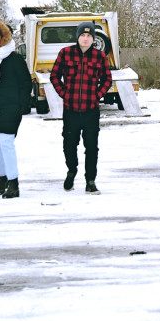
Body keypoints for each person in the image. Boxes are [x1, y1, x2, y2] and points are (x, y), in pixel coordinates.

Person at [50, 21, 112, 194]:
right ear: (78, 37)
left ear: (93, 39)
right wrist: (64, 93)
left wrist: (97, 95)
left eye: (89, 36)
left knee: (92, 147)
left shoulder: (100, 57)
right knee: (69, 145)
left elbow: (107, 79)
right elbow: (54, 75)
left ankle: (90, 181)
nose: (86, 39)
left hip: (91, 110)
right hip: (70, 110)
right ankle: (72, 170)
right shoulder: (66, 53)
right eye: (83, 35)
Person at [0, 20, 32, 199]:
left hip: (10, 109)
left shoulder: (15, 59)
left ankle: (13, 183)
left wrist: (21, 106)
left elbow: (26, 83)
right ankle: (2, 178)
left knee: (6, 144)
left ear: (3, 38)